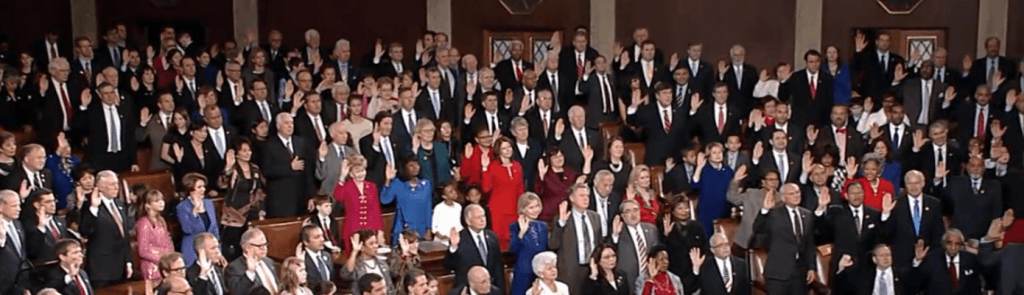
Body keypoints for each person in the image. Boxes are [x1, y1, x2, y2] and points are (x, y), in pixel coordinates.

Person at [816, 181, 881, 294]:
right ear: (846, 196)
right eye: (853, 193)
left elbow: (879, 238)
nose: (857, 196)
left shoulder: (874, 214)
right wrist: (821, 208)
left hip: (867, 270)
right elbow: (822, 233)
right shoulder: (836, 212)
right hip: (843, 269)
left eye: (859, 192)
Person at [754, 183, 817, 295]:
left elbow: (809, 244)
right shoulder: (774, 214)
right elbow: (759, 228)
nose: (796, 196)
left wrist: (811, 267)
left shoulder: (807, 215)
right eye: (791, 194)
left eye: (797, 192)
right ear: (783, 198)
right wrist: (764, 210)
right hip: (778, 274)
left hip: (800, 274)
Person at [79, 170, 133, 287]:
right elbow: (85, 231)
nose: (116, 187)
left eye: (116, 184)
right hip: (101, 270)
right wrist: (94, 208)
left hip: (120, 268)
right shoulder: (89, 205)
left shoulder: (120, 204)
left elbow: (125, 236)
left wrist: (128, 261)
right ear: (100, 187)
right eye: (111, 184)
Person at [883, 170, 944, 270]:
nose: (913, 187)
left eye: (916, 183)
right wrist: (885, 214)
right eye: (910, 183)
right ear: (905, 185)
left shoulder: (934, 204)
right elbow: (887, 233)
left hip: (928, 259)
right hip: (902, 261)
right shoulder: (896, 205)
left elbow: (938, 232)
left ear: (923, 183)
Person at [549, 183, 602, 295]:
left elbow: (599, 244)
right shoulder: (562, 218)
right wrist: (561, 224)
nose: (585, 199)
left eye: (587, 196)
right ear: (572, 198)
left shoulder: (595, 217)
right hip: (571, 271)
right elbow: (553, 244)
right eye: (581, 196)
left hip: (592, 269)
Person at [221, 138, 267, 260]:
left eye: (249, 150)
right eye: (244, 151)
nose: (248, 153)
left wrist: (261, 211)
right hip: (234, 213)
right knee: (233, 247)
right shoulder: (233, 169)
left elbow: (260, 191)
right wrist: (227, 168)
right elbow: (222, 184)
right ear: (237, 153)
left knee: (252, 243)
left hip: (252, 211)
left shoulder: (255, 169)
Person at [444, 204, 506, 292]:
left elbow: (498, 267)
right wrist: (454, 247)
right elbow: (449, 265)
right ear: (468, 221)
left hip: (490, 289)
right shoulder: (459, 238)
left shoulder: (492, 236)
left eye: (483, 216)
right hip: (469, 290)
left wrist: (501, 290)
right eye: (478, 217)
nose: (482, 220)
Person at [262, 112, 314, 217]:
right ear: (278, 126)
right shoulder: (268, 145)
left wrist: (311, 196)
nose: (290, 126)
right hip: (281, 200)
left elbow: (308, 172)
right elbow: (267, 171)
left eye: (292, 123)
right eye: (286, 123)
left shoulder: (301, 142)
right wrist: (289, 167)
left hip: (301, 198)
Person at [482, 137, 525, 249]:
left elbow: (520, 189)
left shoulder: (517, 165)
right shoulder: (493, 166)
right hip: (498, 209)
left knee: (515, 237)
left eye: (509, 147)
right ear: (498, 151)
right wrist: (485, 168)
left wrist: (522, 209)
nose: (508, 150)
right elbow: (486, 188)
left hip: (515, 208)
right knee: (500, 239)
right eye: (504, 148)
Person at [911, 228, 983, 295]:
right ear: (944, 243)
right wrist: (918, 261)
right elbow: (917, 284)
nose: (953, 247)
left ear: (961, 245)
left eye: (957, 244)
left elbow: (976, 286)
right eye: (949, 243)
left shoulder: (971, 259)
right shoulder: (932, 259)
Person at [334, 155, 383, 250]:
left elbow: (376, 210)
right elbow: (338, 197)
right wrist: (342, 177)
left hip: (370, 228)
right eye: (357, 171)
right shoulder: (347, 187)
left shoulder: (372, 186)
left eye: (362, 170)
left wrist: (379, 230)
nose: (361, 174)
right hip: (352, 229)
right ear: (351, 174)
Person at [381, 158, 433, 242]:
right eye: (411, 166)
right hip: (403, 228)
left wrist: (429, 228)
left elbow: (428, 207)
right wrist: (388, 180)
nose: (415, 167)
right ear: (404, 168)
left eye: (416, 165)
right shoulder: (397, 183)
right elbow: (385, 200)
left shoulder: (426, 184)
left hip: (422, 229)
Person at [658, 195, 707, 281]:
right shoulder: (666, 226)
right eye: (680, 208)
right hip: (674, 273)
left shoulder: (697, 226)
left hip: (695, 272)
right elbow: (662, 250)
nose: (684, 211)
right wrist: (666, 235)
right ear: (673, 211)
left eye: (686, 208)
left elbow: (705, 247)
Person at [610, 199, 657, 289]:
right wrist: (615, 235)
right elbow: (610, 251)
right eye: (628, 211)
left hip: (651, 281)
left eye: (635, 210)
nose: (633, 214)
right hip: (628, 284)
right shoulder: (618, 232)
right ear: (623, 216)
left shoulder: (652, 229)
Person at [177, 172, 221, 266]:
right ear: (191, 189)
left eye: (203, 186)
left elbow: (214, 229)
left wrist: (218, 251)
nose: (203, 189)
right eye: (199, 187)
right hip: (192, 251)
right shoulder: (182, 207)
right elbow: (187, 229)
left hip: (210, 250)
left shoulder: (208, 203)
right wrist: (194, 212)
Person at [509, 192, 548, 295]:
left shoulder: (543, 226)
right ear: (523, 209)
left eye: (537, 206)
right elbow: (514, 249)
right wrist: (522, 233)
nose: (535, 210)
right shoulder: (515, 227)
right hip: (524, 273)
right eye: (531, 207)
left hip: (540, 273)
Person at [692, 143, 734, 236]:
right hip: (707, 211)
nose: (718, 155)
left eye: (720, 152)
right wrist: (699, 167)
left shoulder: (728, 171)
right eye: (714, 153)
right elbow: (694, 185)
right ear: (709, 156)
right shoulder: (704, 170)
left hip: (724, 210)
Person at [833, 244, 910, 295]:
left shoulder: (902, 274)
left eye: (888, 255)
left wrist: (917, 260)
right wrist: (841, 269)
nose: (885, 258)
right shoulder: (864, 276)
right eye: (882, 255)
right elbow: (841, 287)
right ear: (874, 259)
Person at [535, 147, 583, 223]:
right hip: (549, 216)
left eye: (561, 156)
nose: (559, 159)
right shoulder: (546, 174)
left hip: (568, 214)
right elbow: (539, 192)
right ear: (550, 159)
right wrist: (541, 177)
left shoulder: (570, 173)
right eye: (555, 157)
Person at [226, 228, 279, 295]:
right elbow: (237, 292)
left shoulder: (269, 262)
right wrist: (250, 272)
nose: (264, 248)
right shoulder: (234, 267)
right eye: (260, 246)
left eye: (265, 244)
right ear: (247, 248)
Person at [341, 229, 395, 295]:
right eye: (371, 243)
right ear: (362, 247)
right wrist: (355, 251)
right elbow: (346, 275)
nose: (376, 246)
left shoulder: (382, 262)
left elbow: (390, 286)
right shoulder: (356, 264)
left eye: (376, 242)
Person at [137, 189, 174, 282]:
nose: (161, 203)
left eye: (162, 200)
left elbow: (168, 241)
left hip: (167, 264)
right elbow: (142, 251)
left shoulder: (161, 220)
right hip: (153, 267)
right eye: (157, 201)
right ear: (147, 205)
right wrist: (162, 261)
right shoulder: (144, 223)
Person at [24, 189, 70, 262]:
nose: (53, 204)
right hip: (43, 267)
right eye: (48, 202)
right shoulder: (29, 224)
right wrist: (41, 227)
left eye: (53, 201)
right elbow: (33, 250)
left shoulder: (60, 221)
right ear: (37, 205)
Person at [0, 190, 30, 295]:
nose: (19, 209)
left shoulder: (18, 224)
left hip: (18, 286)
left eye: (19, 205)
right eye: (14, 206)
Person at [412, 119, 452, 186]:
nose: (429, 133)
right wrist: (415, 150)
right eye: (426, 131)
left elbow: (447, 168)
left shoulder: (440, 146)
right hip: (424, 188)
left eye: (431, 130)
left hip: (443, 187)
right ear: (418, 133)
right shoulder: (416, 150)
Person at [300, 224, 336, 288]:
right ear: (306, 242)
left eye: (322, 236)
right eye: (317, 237)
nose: (322, 239)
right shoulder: (302, 260)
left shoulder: (327, 255)